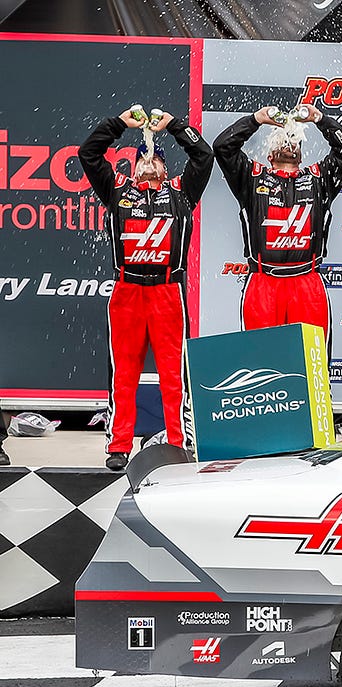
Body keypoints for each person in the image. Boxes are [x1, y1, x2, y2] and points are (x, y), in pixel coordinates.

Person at [79, 108, 213, 471]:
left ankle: (175, 443)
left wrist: (175, 127)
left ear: (166, 169)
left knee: (173, 375)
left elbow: (205, 155)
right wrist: (119, 124)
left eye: (156, 160)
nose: (150, 164)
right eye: (143, 160)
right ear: (133, 167)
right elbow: (88, 153)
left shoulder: (182, 193)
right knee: (124, 373)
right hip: (127, 292)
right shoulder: (116, 190)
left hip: (167, 291)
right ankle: (119, 446)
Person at [214, 104, 342, 337]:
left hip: (307, 282)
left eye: (294, 141)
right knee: (261, 361)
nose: (288, 143)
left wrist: (320, 119)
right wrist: (256, 119)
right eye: (280, 140)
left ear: (301, 154)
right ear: (269, 154)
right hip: (264, 283)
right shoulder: (252, 178)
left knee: (312, 363)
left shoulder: (318, 179)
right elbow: (223, 147)